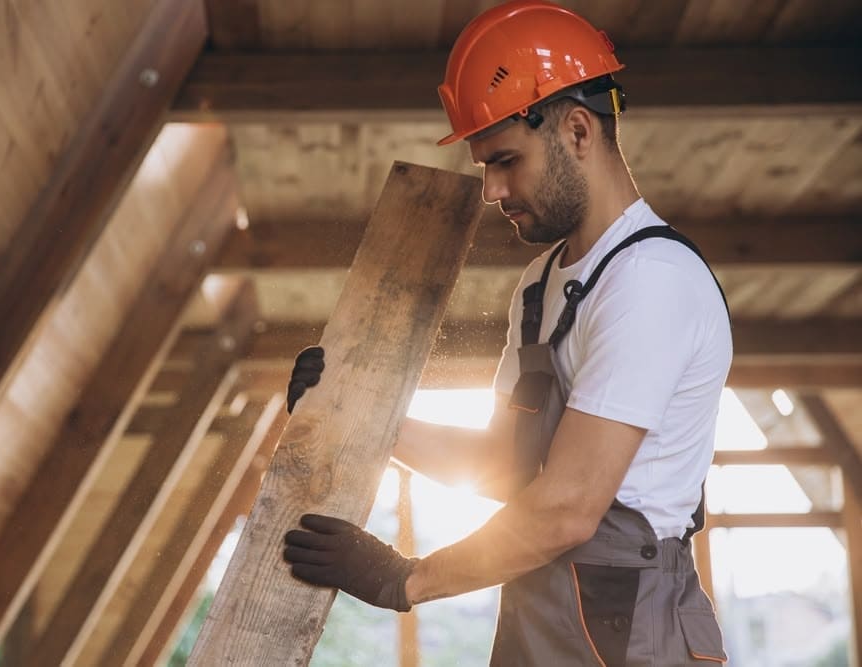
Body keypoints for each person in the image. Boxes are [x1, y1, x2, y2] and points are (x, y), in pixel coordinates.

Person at [282, 1, 731, 664]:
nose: (490, 189)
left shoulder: (651, 279)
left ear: (578, 130)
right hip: (539, 615)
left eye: (505, 160)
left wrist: (405, 578)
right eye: (483, 165)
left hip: (630, 627)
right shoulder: (538, 284)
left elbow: (568, 508)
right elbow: (507, 466)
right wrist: (366, 418)